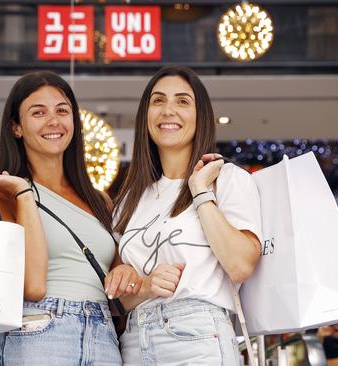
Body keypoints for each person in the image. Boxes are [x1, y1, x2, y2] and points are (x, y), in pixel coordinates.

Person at [0, 71, 140, 366]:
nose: (54, 121)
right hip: (38, 333)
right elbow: (33, 287)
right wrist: (24, 192)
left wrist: (127, 274)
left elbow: (116, 285)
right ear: (16, 127)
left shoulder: (98, 200)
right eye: (38, 112)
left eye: (62, 111)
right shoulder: (3, 195)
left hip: (102, 336)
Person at [105, 66, 262, 365]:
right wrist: (144, 285)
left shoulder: (226, 179)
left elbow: (241, 265)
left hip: (198, 336)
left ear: (200, 115)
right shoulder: (130, 199)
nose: (168, 111)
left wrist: (200, 191)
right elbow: (120, 302)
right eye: (158, 101)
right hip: (134, 343)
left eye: (182, 101)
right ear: (146, 115)